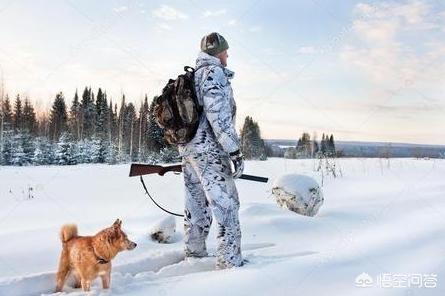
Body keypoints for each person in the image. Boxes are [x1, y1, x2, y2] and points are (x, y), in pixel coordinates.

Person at [177, 32, 245, 269]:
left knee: (195, 202)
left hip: (189, 149)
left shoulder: (194, 75)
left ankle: (193, 253)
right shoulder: (214, 73)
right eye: (225, 50)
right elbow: (219, 117)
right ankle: (229, 260)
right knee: (226, 204)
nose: (228, 54)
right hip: (210, 151)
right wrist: (234, 151)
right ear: (218, 53)